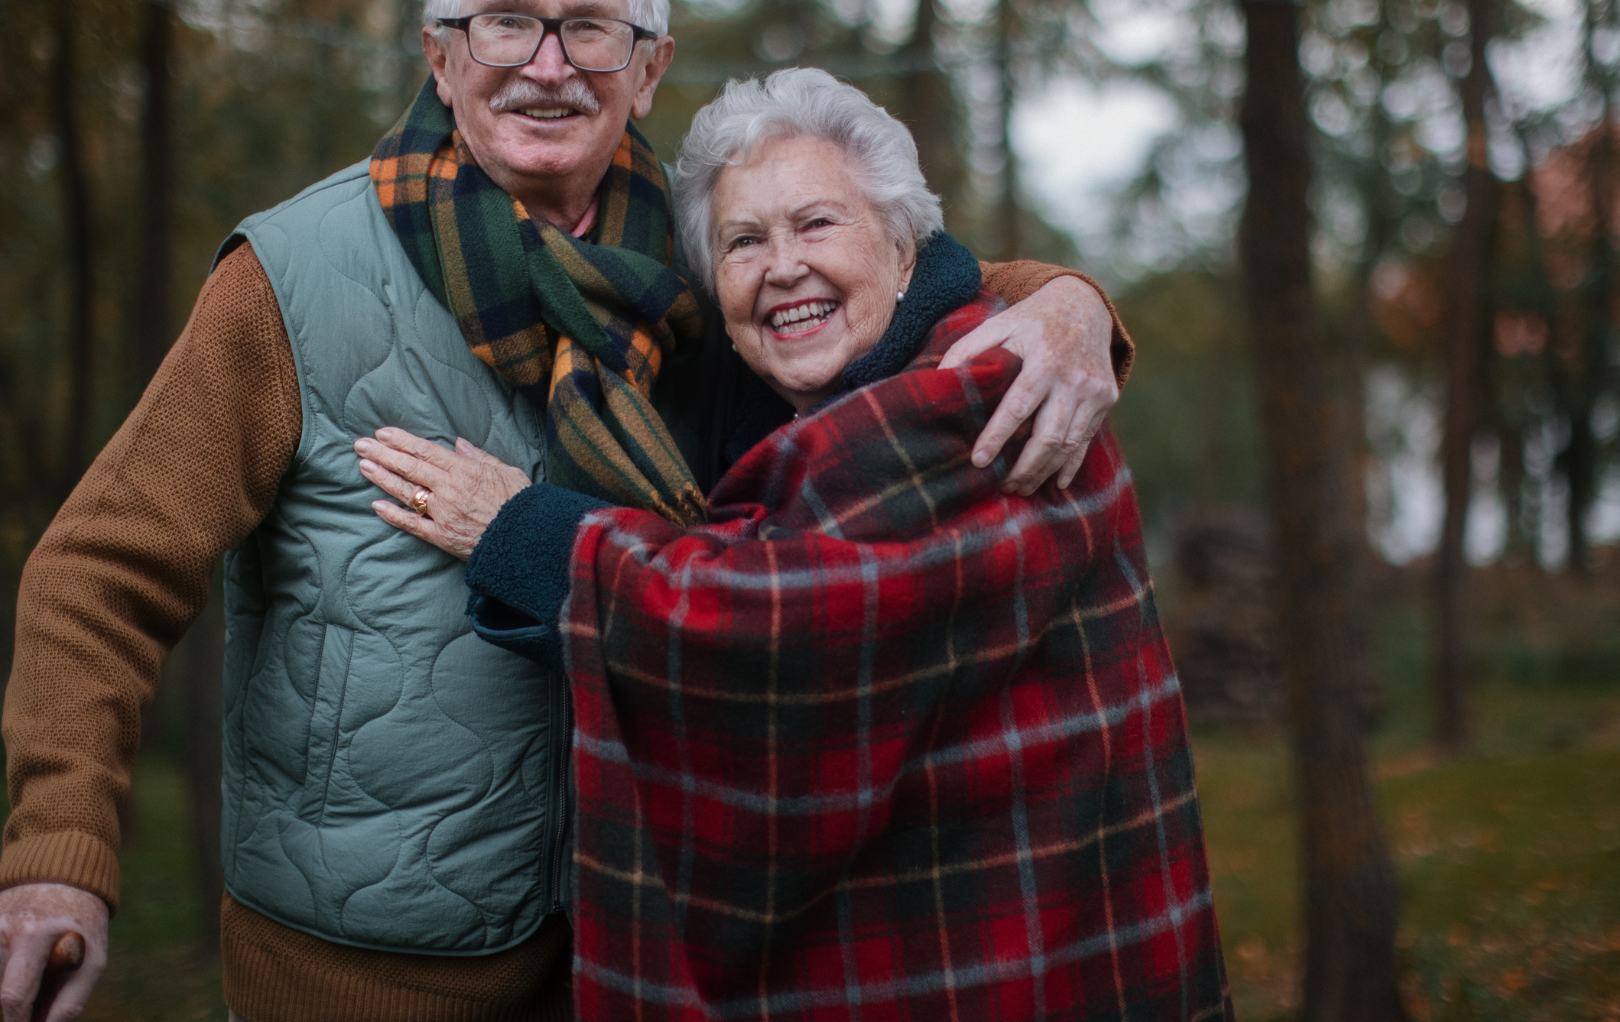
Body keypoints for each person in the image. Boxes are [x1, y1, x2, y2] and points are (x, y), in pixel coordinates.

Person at [0, 0, 1135, 1022]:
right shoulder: (294, 275)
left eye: (589, 29)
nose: (547, 62)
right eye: (506, 23)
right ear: (439, 56)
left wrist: (1071, 303)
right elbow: (100, 572)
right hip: (368, 963)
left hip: (631, 940)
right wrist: (54, 852)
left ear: (647, 69)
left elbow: (896, 286)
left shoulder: (702, 270)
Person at [357, 68, 1227, 1020]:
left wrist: (516, 528)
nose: (781, 267)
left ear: (904, 250)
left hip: (1015, 954)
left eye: (817, 225)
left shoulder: (983, 390)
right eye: (742, 243)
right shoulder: (802, 409)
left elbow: (762, 622)